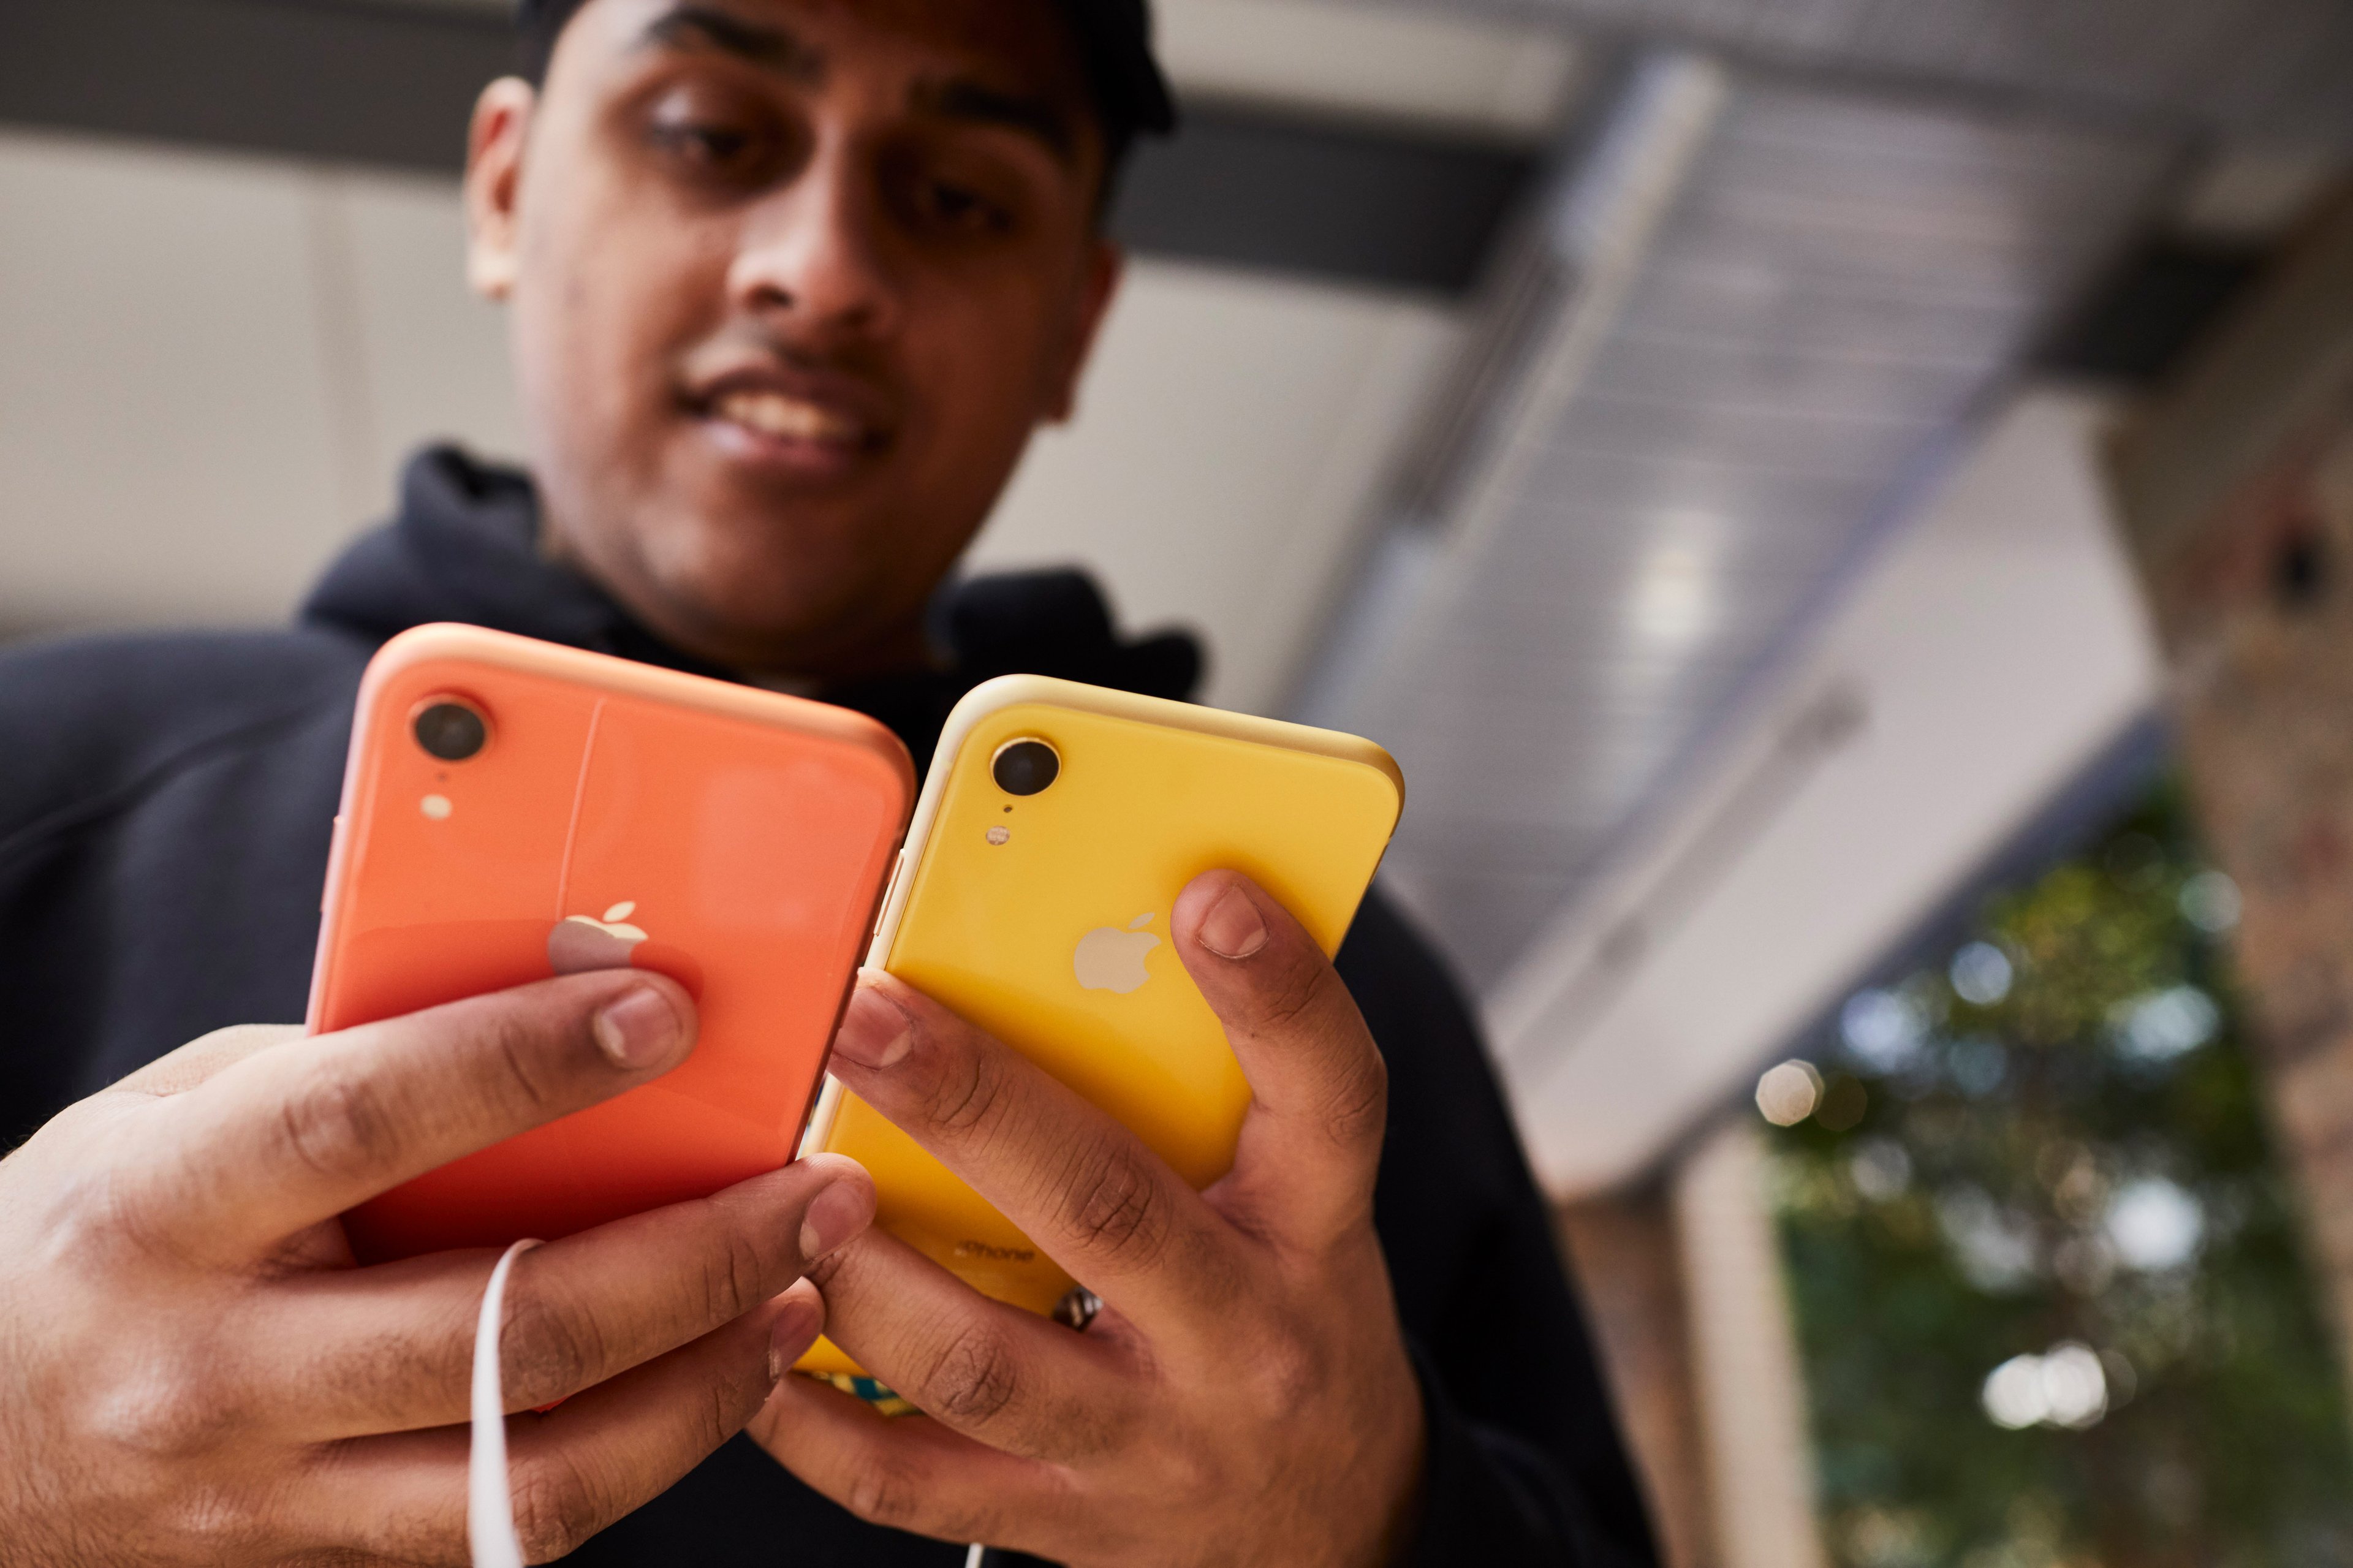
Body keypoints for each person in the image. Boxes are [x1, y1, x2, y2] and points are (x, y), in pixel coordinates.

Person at [0, 0, 1659, 1563]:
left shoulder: (1318, 998)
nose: (824, 269)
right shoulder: (45, 779)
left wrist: (1365, 1512)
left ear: (1075, 322)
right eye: (712, 135)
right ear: (506, 189)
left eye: (955, 193)